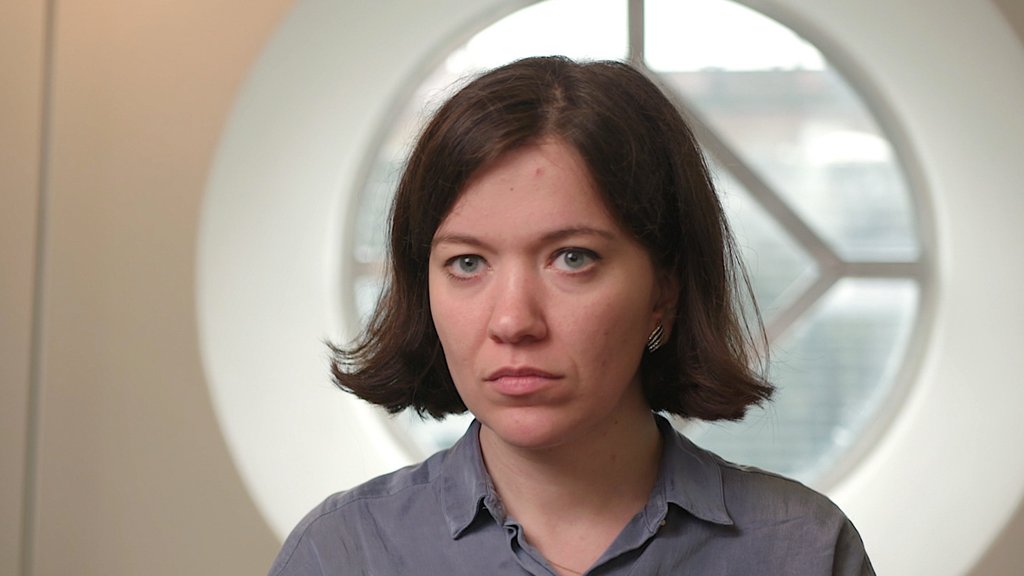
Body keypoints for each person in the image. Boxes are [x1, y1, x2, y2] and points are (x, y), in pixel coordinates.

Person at [269, 56, 874, 575]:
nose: (513, 321)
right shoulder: (341, 554)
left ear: (665, 288)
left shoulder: (804, 550)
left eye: (572, 258)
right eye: (467, 263)